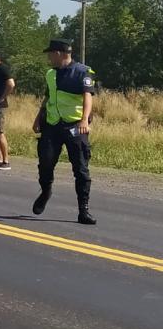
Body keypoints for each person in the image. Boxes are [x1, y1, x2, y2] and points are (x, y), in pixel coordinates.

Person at [31, 39, 98, 225]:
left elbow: (87, 97)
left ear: (60, 53)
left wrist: (84, 119)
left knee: (81, 169)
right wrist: (38, 117)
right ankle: (45, 191)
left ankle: (83, 210)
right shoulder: (50, 74)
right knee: (45, 163)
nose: (49, 57)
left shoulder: (82, 71)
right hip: (52, 125)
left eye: (50, 54)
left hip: (76, 125)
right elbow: (48, 98)